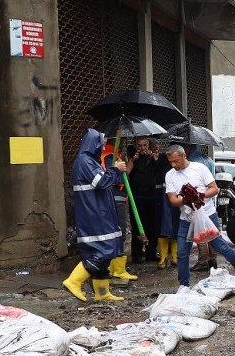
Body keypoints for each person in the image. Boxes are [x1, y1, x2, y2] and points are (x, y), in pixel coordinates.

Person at [164, 145, 235, 290]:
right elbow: (172, 200)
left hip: (207, 215)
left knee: (218, 245)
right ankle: (184, 285)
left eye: (176, 161)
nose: (173, 165)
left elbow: (214, 189)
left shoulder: (199, 168)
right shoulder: (170, 175)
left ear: (184, 155)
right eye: (170, 162)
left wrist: (199, 196)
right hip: (186, 217)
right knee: (182, 252)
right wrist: (186, 200)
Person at [62, 129, 130, 302]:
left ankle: (102, 293)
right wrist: (115, 170)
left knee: (106, 254)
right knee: (99, 252)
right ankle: (73, 281)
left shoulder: (91, 161)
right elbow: (101, 182)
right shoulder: (85, 161)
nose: (102, 146)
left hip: (100, 212)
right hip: (94, 213)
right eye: (101, 143)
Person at [101, 140, 138, 283]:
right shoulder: (111, 155)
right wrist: (127, 168)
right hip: (116, 197)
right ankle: (118, 270)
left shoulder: (110, 153)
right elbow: (115, 178)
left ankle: (114, 268)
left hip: (116, 197)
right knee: (119, 232)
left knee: (117, 232)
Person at [128, 138, 162, 264]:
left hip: (151, 197)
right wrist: (132, 160)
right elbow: (127, 173)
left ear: (148, 146)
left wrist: (154, 159)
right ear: (137, 146)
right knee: (137, 227)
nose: (142, 148)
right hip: (136, 198)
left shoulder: (153, 158)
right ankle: (136, 254)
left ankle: (151, 252)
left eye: (145, 145)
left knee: (151, 226)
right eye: (140, 145)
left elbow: (159, 172)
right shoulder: (133, 158)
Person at [188, 145, 217, 271]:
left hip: (198, 200)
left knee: (200, 231)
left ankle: (203, 260)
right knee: (210, 230)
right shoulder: (209, 160)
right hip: (209, 200)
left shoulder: (193, 162)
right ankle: (212, 259)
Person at [155, 148, 180, 270]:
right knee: (163, 227)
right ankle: (164, 258)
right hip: (162, 198)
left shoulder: (179, 167)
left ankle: (174, 257)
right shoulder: (160, 163)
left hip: (175, 199)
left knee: (175, 225)